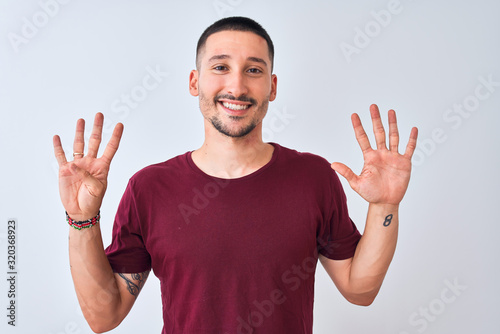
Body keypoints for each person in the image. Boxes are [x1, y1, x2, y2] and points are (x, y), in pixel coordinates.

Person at [53, 16, 418, 334]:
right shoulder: (149, 188)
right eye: (221, 67)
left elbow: (360, 289)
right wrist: (81, 219)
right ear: (195, 82)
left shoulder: (313, 178)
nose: (237, 87)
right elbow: (104, 317)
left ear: (272, 87)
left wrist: (385, 205)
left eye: (254, 70)